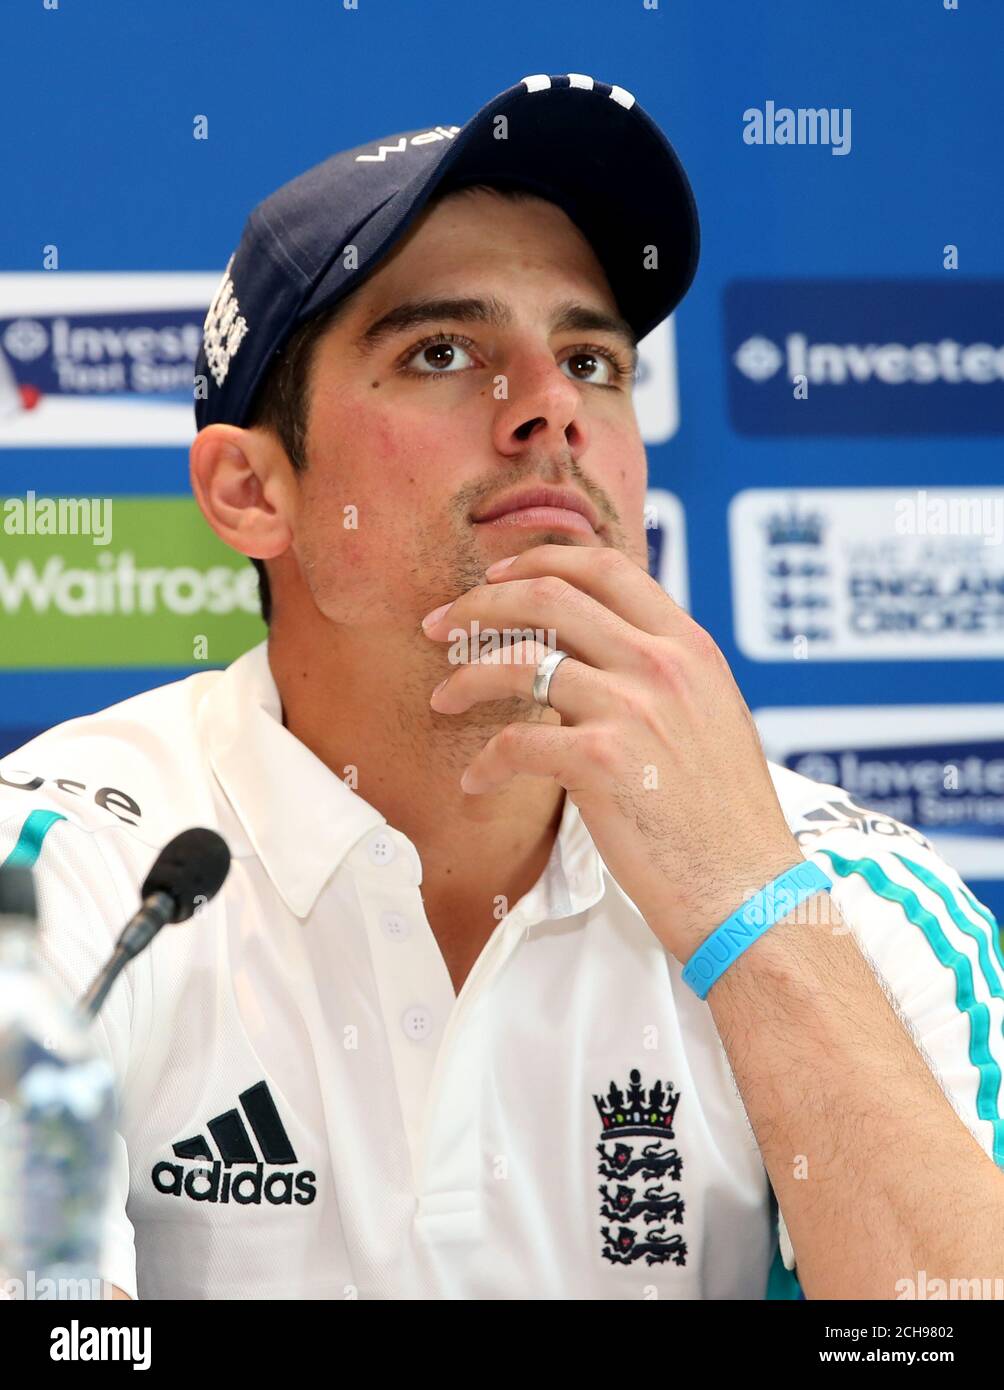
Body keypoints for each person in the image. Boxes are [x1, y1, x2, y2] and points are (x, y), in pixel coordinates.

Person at [1, 74, 1001, 1301]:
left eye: (591, 358)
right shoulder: (64, 877)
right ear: (253, 491)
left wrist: (744, 900)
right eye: (441, 351)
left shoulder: (854, 900)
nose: (549, 411)